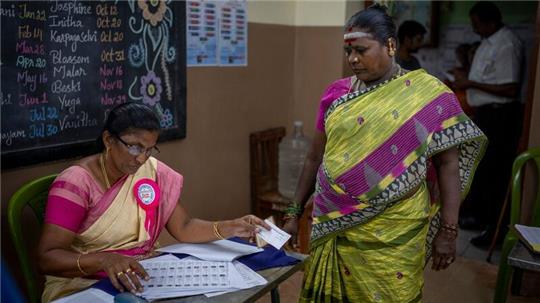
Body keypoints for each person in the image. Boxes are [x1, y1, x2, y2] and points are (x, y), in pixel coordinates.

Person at [282, 4, 487, 302]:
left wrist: (448, 230)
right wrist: (293, 212)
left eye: (361, 50)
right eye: (348, 52)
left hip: (396, 228)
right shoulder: (337, 95)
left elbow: (448, 164)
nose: (353, 59)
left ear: (390, 45)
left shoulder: (427, 95)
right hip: (334, 223)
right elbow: (315, 156)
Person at [37, 102, 270, 302]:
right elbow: (48, 258)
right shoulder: (78, 181)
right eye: (134, 147)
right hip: (83, 284)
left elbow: (184, 227)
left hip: (142, 275)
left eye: (149, 150)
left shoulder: (151, 172)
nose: (141, 158)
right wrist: (104, 260)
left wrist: (231, 226)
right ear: (109, 139)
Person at [453, 1, 523, 246]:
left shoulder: (506, 44)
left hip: (500, 116)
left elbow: (510, 87)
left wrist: (470, 84)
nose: (474, 29)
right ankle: (480, 218)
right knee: (482, 167)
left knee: (495, 171)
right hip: (485, 113)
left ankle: (494, 229)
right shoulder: (488, 42)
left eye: (476, 24)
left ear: (490, 21)